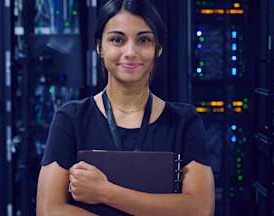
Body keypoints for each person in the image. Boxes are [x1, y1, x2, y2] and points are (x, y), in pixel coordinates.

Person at [36, 0, 215, 215]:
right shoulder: (71, 118)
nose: (130, 52)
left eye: (144, 40)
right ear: (100, 47)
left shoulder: (184, 121)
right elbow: (48, 210)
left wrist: (105, 192)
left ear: (158, 48)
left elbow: (199, 210)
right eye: (117, 40)